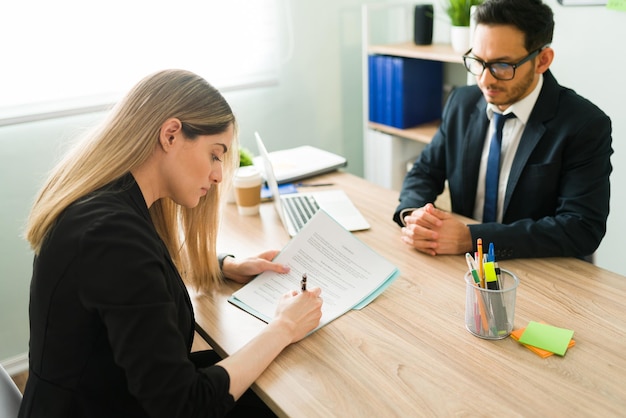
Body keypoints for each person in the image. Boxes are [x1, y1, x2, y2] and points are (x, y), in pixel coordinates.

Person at [19, 69, 323, 417]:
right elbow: (184, 407)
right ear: (171, 135)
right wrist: (284, 327)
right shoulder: (111, 237)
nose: (219, 173)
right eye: (215, 153)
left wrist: (221, 265)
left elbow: (136, 277)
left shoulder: (108, 206)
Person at [393, 0, 612, 260]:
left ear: (542, 60)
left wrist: (472, 238)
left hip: (541, 273)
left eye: (502, 66)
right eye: (478, 61)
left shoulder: (584, 124)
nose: (485, 80)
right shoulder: (461, 103)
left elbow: (581, 229)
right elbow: (426, 170)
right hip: (466, 266)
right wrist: (414, 214)